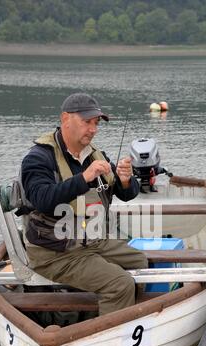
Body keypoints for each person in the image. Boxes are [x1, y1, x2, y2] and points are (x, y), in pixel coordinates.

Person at [21, 92, 148, 315]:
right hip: (54, 252)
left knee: (140, 262)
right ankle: (109, 338)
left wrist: (126, 180)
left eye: (96, 123)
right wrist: (84, 178)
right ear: (65, 119)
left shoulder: (95, 155)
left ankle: (127, 317)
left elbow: (126, 194)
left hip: (90, 241)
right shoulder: (39, 157)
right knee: (120, 284)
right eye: (87, 122)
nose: (93, 129)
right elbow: (41, 200)